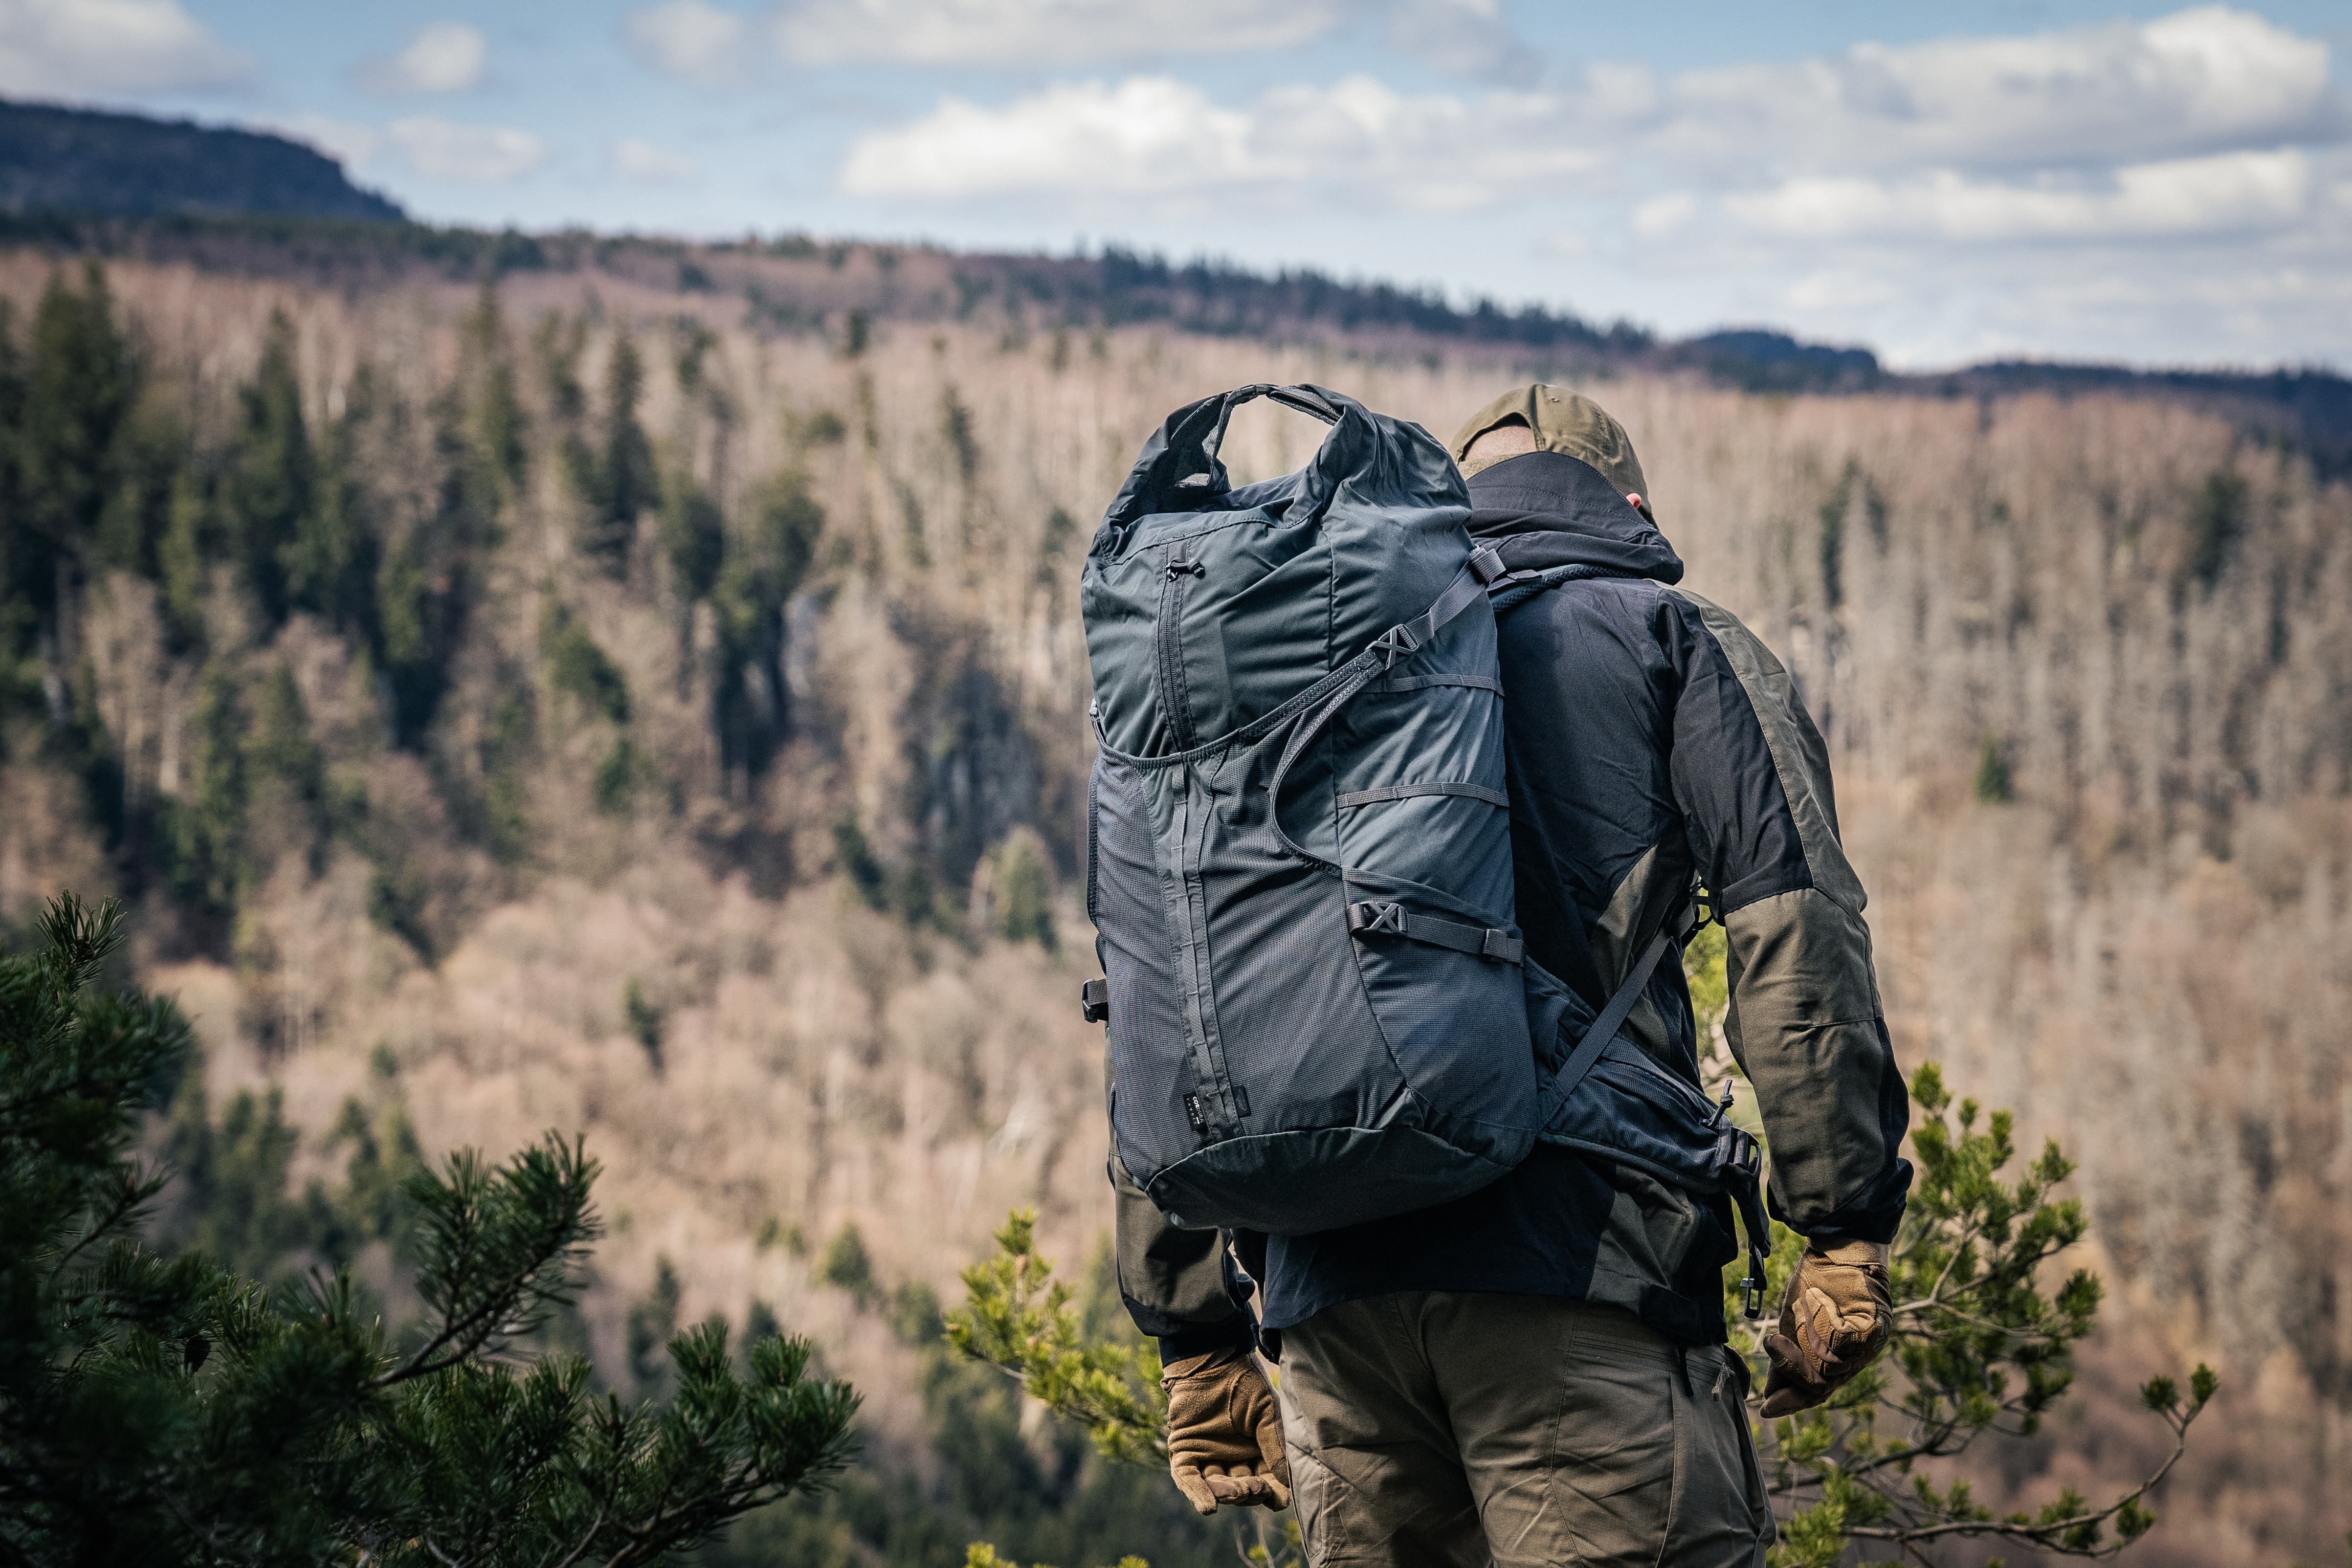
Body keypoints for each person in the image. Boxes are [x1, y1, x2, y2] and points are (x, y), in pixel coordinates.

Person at [1107, 384, 1912, 1567]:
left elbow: (1174, 980)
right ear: (1625, 503)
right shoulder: (1666, 634)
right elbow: (1794, 929)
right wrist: (1842, 1225)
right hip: (1576, 1267)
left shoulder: (1307, 661)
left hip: (1333, 1299)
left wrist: (1192, 1336)